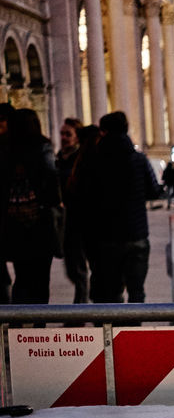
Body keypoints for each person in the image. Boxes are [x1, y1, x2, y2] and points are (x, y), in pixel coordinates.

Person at [78, 111, 161, 302]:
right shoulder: (139, 159)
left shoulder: (95, 160)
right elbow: (154, 191)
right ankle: (134, 330)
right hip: (136, 235)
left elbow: (87, 194)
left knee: (112, 291)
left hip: (107, 237)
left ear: (104, 132)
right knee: (137, 291)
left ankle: (115, 330)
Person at [0, 108, 61, 305]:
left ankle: (19, 323)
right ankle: (39, 324)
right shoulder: (42, 146)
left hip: (14, 221)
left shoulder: (6, 149)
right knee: (42, 276)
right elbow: (52, 178)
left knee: (22, 275)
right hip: (39, 220)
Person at [55, 117, 88, 303]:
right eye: (62, 133)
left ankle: (80, 309)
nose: (64, 137)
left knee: (78, 266)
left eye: (68, 134)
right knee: (70, 266)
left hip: (77, 218)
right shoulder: (60, 157)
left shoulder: (80, 159)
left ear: (77, 137)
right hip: (63, 220)